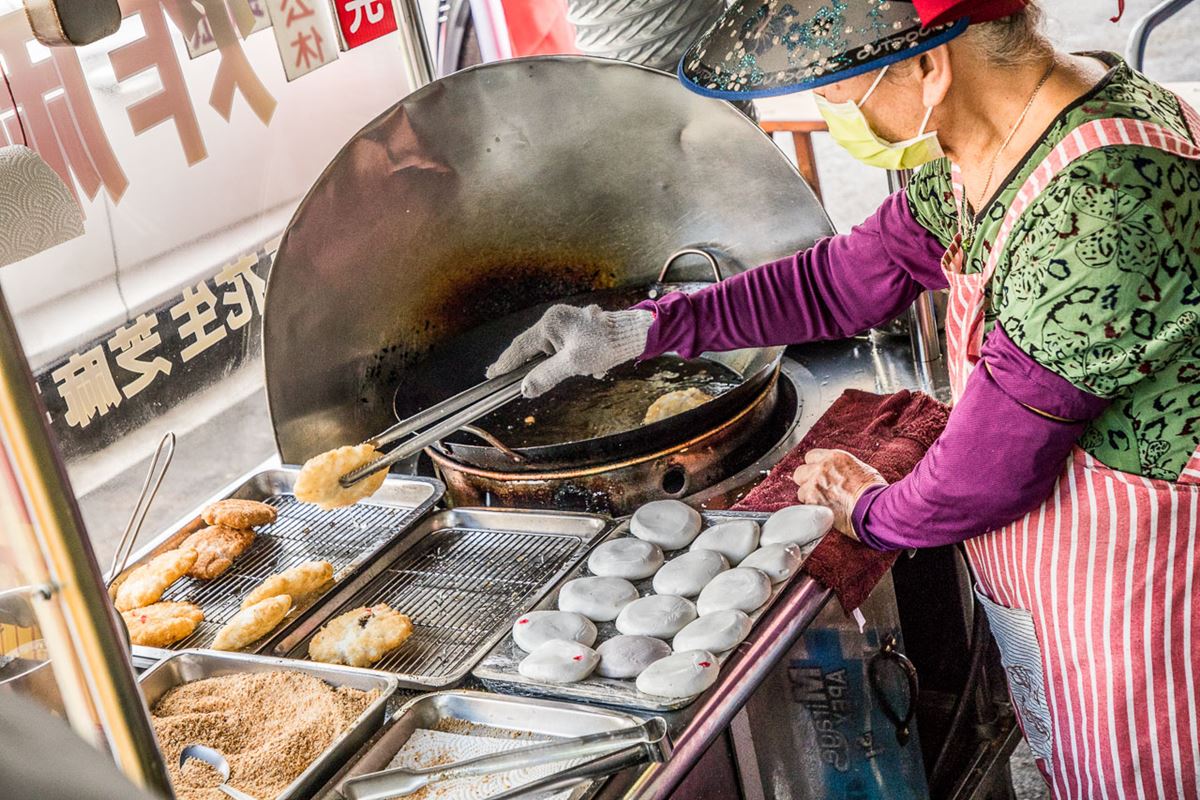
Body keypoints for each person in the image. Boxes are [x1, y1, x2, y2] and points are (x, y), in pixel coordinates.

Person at [488, 0, 1200, 795]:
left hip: (1147, 604)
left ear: (929, 65)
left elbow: (990, 471)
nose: (827, 110)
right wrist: (640, 330)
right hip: (1074, 593)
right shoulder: (999, 135)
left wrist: (869, 509)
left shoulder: (1105, 198)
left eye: (837, 87)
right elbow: (844, 281)